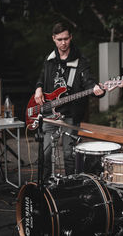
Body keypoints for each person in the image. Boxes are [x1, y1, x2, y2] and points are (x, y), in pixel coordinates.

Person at [34, 22, 104, 180]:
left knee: (69, 154)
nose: (63, 42)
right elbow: (41, 77)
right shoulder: (50, 59)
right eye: (59, 39)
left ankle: (70, 187)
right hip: (50, 112)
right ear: (53, 39)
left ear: (71, 37)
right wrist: (38, 88)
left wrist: (97, 90)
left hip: (71, 114)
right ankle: (44, 188)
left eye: (66, 38)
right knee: (44, 153)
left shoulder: (81, 61)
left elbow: (88, 82)